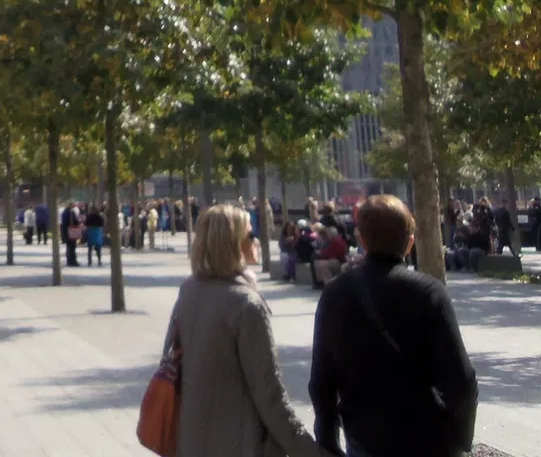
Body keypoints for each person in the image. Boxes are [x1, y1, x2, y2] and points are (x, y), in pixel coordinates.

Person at [310, 195, 477, 457]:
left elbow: (322, 381)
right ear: (410, 243)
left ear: (362, 240)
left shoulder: (335, 295)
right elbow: (462, 382)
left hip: (366, 439)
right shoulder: (429, 293)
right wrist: (462, 438)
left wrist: (328, 441)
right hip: (428, 440)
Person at [155, 203, 325, 457]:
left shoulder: (190, 290)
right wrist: (312, 452)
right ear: (232, 244)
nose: (257, 240)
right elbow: (270, 396)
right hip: (241, 444)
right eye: (250, 234)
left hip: (192, 442)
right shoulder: (246, 305)